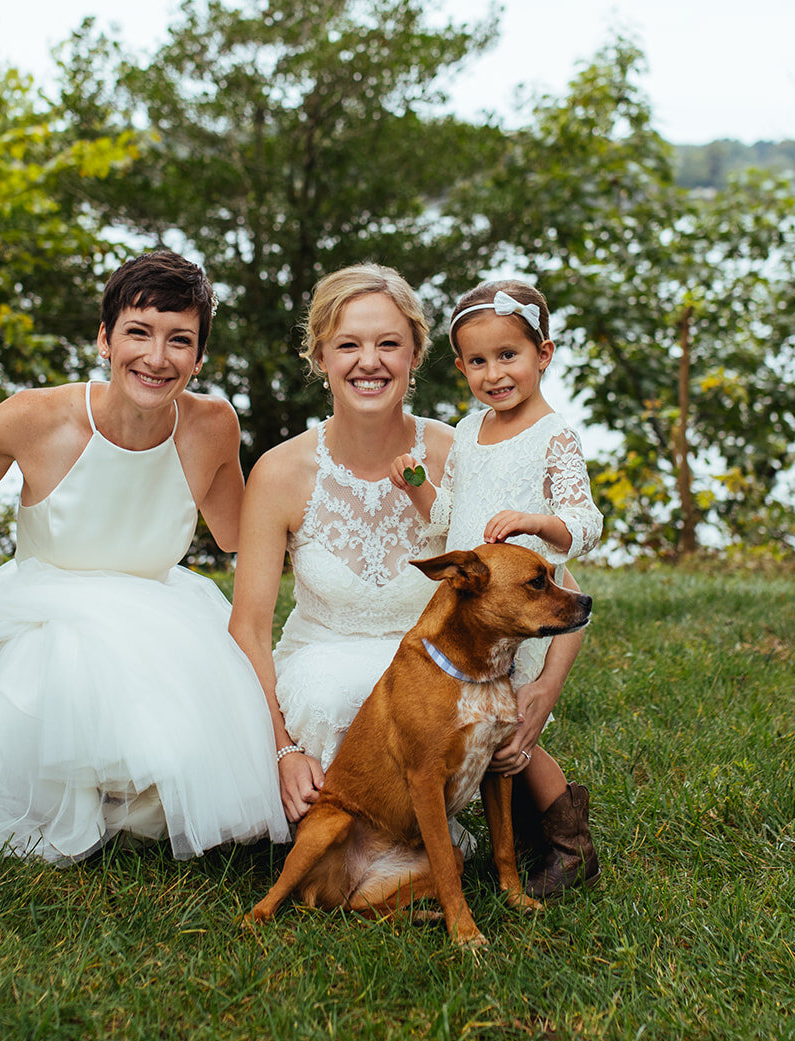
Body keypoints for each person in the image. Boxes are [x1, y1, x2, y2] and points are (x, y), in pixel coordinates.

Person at [0, 251, 288, 863]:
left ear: (200, 354)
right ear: (105, 339)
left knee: (195, 767)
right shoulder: (36, 415)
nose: (157, 358)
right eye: (139, 333)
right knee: (57, 734)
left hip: (161, 613)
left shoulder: (212, 424)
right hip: (45, 617)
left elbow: (243, 533)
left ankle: (131, 783)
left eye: (179, 340)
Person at [228, 264, 464, 834]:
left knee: (423, 704)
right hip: (321, 663)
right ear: (320, 357)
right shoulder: (281, 471)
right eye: (348, 345)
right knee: (340, 694)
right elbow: (249, 628)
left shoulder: (457, 453)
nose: (369, 362)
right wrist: (282, 751)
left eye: (389, 344)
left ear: (414, 355)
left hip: (430, 665)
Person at [389, 278, 603, 897]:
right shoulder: (467, 430)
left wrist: (538, 524)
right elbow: (448, 516)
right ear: (460, 367)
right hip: (476, 609)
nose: (494, 374)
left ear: (544, 354)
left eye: (508, 356)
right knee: (481, 719)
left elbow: (586, 523)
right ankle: (518, 831)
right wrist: (417, 486)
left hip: (526, 605)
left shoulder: (554, 436)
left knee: (509, 728)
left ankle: (568, 842)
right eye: (478, 362)